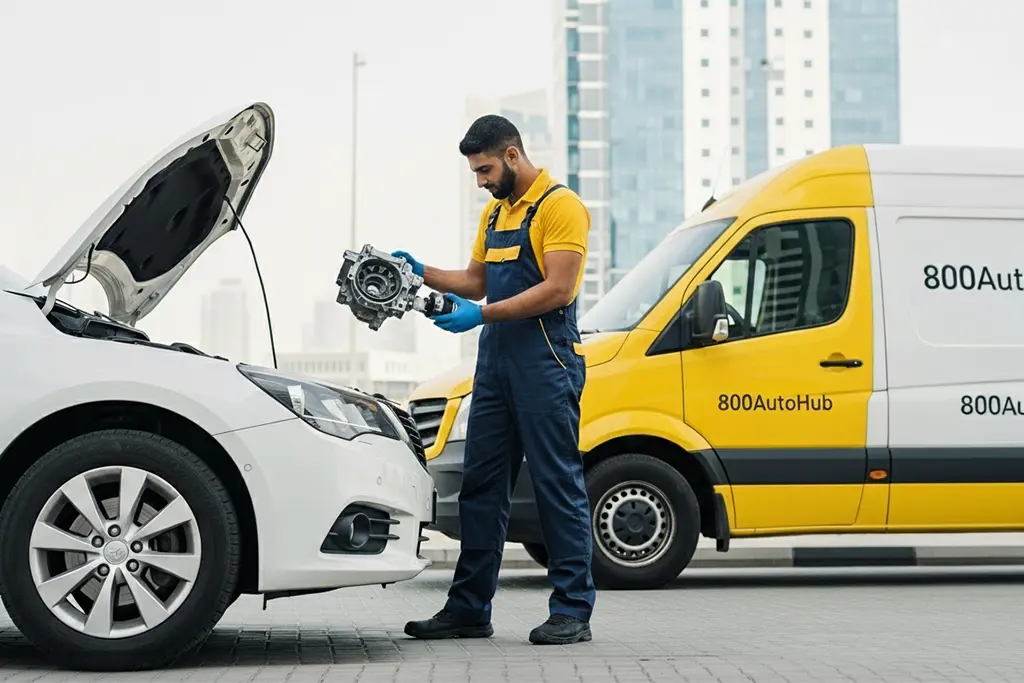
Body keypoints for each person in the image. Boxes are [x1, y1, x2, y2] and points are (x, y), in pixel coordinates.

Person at [393, 114, 596, 645]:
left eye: (484, 170)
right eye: (475, 173)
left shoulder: (560, 206)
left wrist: (480, 316)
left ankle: (572, 610)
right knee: (481, 488)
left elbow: (559, 289)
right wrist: (419, 272)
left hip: (547, 362)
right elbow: (475, 281)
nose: (480, 181)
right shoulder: (495, 213)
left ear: (511, 155)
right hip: (495, 367)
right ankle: (468, 609)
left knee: (556, 484)